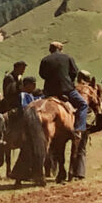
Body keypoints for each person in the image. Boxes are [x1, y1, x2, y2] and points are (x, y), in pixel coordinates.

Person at [38, 41, 89, 180]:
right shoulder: (68, 58)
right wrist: (67, 80)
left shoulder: (45, 60)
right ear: (60, 49)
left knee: (37, 106)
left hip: (49, 91)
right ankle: (79, 128)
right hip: (67, 89)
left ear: (50, 49)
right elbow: (74, 72)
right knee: (83, 105)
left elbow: (42, 75)